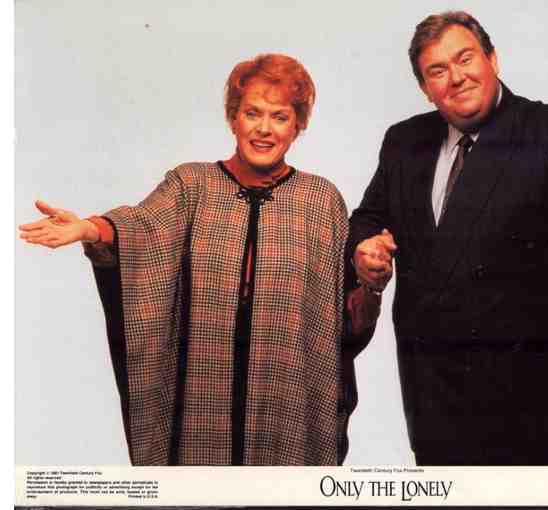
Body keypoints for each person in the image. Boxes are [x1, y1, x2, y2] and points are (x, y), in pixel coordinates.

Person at [19, 54, 372, 466]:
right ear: (233, 118)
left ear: (297, 126)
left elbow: (342, 309)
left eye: (279, 116)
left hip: (285, 392)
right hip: (203, 390)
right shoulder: (191, 185)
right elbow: (143, 227)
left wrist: (374, 280)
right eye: (252, 113)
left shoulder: (320, 199)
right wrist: (90, 229)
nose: (264, 128)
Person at [346, 11, 548, 466]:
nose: (456, 77)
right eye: (438, 70)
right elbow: (369, 217)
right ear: (425, 88)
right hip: (434, 398)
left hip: (532, 402)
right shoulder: (404, 141)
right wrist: (365, 247)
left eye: (465, 58)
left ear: (493, 59)